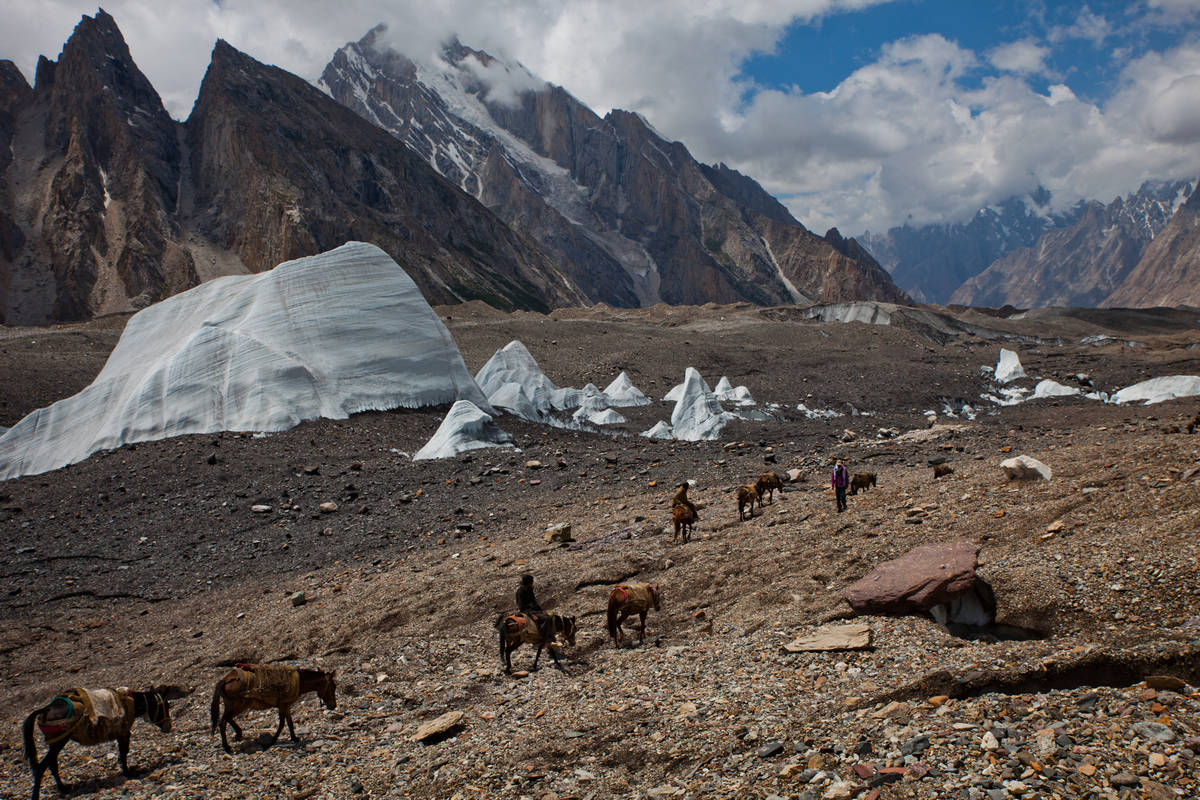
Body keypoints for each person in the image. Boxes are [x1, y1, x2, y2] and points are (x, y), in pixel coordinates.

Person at [516, 574, 552, 642]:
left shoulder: (530, 589)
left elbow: (534, 601)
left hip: (533, 609)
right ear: (528, 582)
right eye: (531, 581)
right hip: (526, 611)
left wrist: (541, 610)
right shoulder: (520, 592)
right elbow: (521, 607)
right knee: (545, 618)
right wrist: (531, 615)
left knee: (548, 615)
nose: (532, 582)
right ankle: (542, 636)